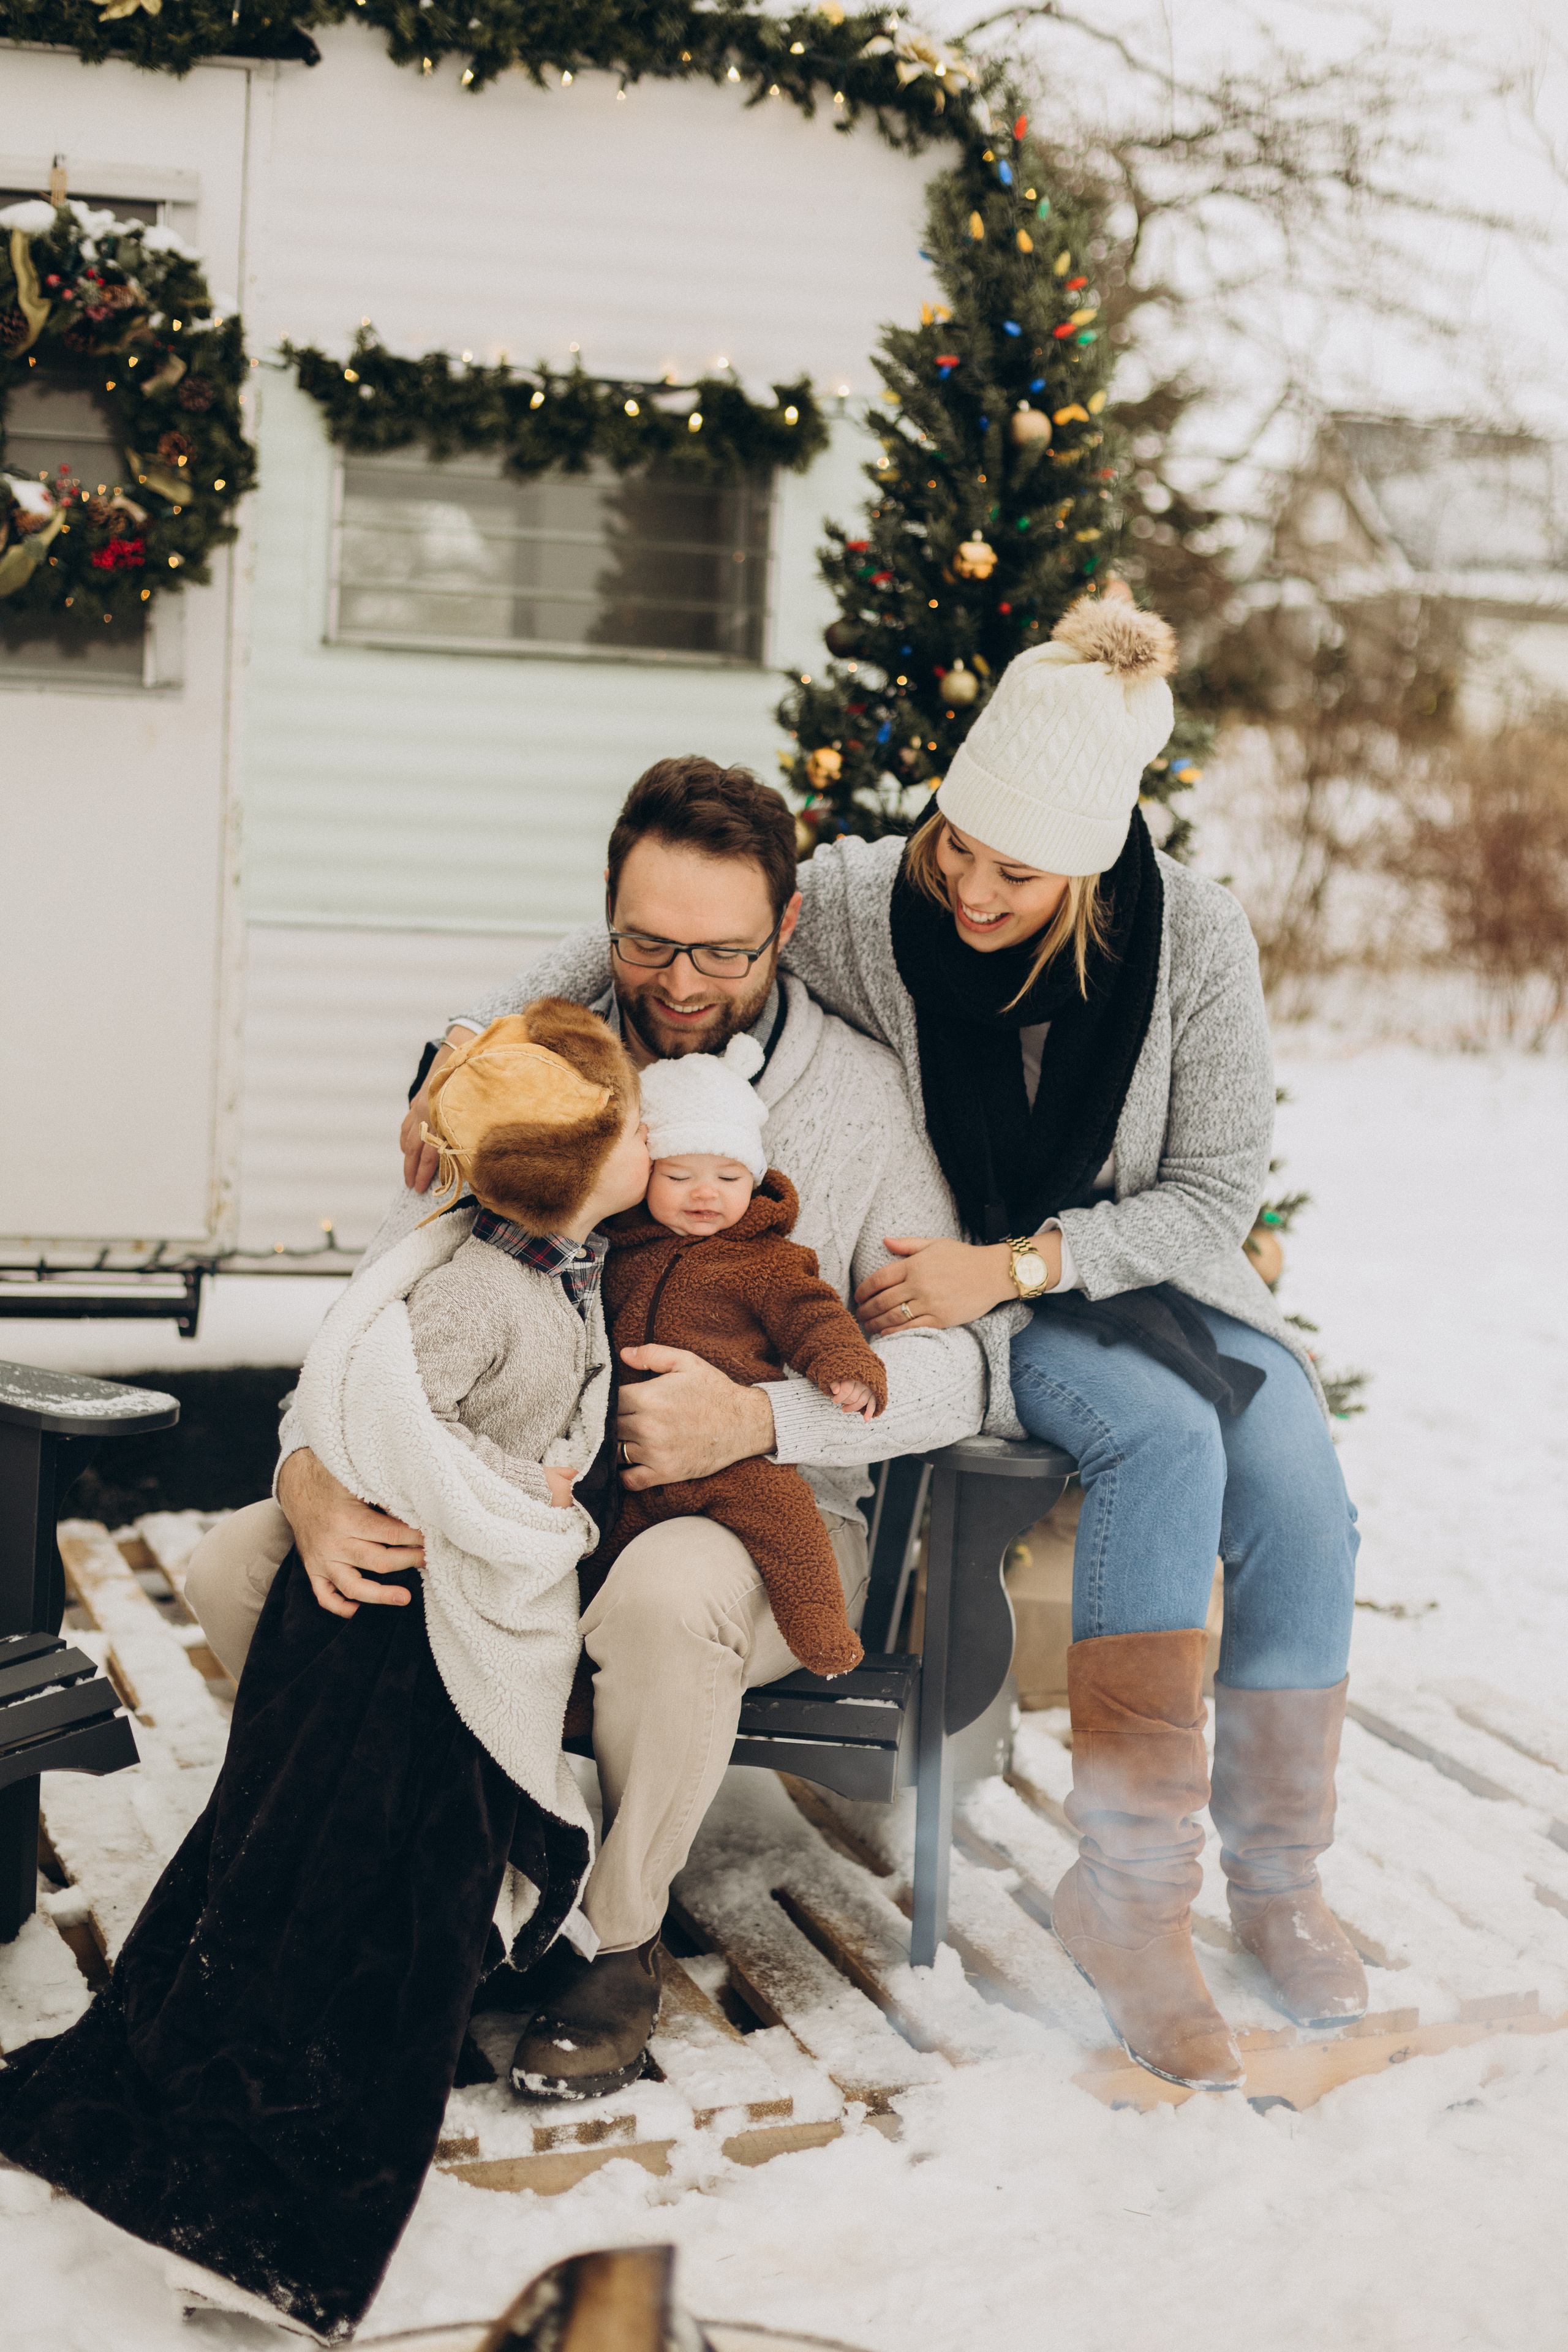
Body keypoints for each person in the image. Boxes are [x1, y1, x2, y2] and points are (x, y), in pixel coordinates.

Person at [185, 755, 1004, 2098]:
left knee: (663, 1598)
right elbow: (382, 1306)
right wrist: (311, 1468)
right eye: (645, 943)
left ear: (787, 929)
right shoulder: (541, 1065)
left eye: (721, 952)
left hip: (755, 1518)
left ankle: (612, 1941)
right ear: (603, 918)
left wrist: (763, 1415)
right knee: (243, 1563)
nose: (679, 984)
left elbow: (962, 1367)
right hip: (520, 1493)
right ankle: (408, 1904)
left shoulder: (857, 1100)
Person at [777, 589, 1367, 2091]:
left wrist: (1029, 1253)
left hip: (1127, 1275)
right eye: (956, 848)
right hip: (1003, 1312)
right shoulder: (858, 897)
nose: (970, 891)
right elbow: (664, 933)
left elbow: (1215, 1191)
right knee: (1164, 1442)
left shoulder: (1197, 940)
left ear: (1094, 864)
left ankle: (1279, 1876)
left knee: (1298, 1485)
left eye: (1015, 875)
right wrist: (463, 1046)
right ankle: (1128, 1893)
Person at [0, 1000, 652, 2336]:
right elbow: (387, 1419)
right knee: (357, 1899)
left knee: (355, 1886)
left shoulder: (545, 1267)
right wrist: (514, 1507)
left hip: (420, 1625)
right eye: (631, 1125)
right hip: (388, 1640)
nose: (654, 1136)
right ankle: (263, 2212)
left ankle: (260, 2120)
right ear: (568, 1167)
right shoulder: (483, 1289)